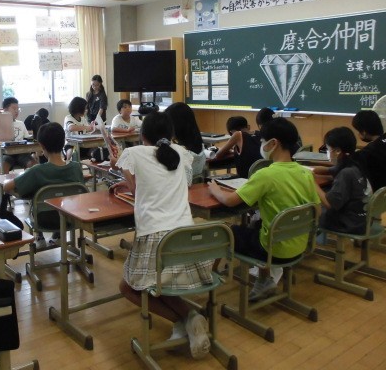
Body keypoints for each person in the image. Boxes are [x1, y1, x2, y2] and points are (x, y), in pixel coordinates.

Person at [110, 111, 213, 359]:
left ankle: (186, 318)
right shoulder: (182, 153)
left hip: (156, 238)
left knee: (129, 288)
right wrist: (131, 180)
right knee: (160, 284)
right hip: (186, 238)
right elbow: (170, 183)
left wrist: (119, 167)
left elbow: (136, 191)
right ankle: (188, 320)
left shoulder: (133, 153)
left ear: (142, 134)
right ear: (171, 134)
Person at [208, 117, 320, 301]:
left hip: (271, 250)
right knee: (258, 224)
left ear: (273, 143)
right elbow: (317, 210)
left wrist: (215, 189)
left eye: (262, 141)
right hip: (299, 246)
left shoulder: (266, 175)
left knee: (227, 229)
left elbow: (229, 201)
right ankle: (264, 280)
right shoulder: (305, 173)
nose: (261, 145)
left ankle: (212, 281)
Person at [3, 122, 85, 248]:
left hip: (44, 220)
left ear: (41, 146)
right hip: (73, 217)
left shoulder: (37, 171)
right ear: (63, 142)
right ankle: (58, 236)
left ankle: (40, 237)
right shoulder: (76, 167)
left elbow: (6, 187)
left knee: (36, 199)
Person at [314, 127, 370, 235]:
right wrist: (310, 170)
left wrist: (312, 183)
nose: (327, 151)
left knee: (312, 208)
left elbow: (329, 204)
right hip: (361, 219)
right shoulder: (355, 162)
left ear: (338, 151)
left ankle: (308, 241)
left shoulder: (346, 173)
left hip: (348, 223)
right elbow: (330, 170)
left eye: (328, 148)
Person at [351, 110, 386, 191]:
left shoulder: (370, 151)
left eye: (358, 131)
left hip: (382, 193)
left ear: (364, 132)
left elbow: (349, 162)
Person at [0, 97, 37, 174]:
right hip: (6, 154)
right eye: (14, 109)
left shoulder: (20, 123)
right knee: (3, 166)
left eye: (18, 109)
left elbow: (27, 138)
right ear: (5, 110)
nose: (16, 111)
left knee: (33, 164)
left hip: (22, 153)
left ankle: (28, 180)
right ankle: (5, 182)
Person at [164, 102, 206, 179]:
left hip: (179, 184)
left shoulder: (178, 151)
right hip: (195, 183)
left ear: (176, 125)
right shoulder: (200, 145)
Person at [64, 96, 96, 161]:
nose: (86, 110)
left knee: (96, 150)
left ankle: (93, 165)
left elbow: (88, 129)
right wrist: (86, 127)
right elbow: (71, 128)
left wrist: (92, 127)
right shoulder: (68, 118)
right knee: (71, 151)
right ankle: (67, 163)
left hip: (83, 145)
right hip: (71, 144)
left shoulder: (83, 119)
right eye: (85, 108)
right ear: (79, 109)